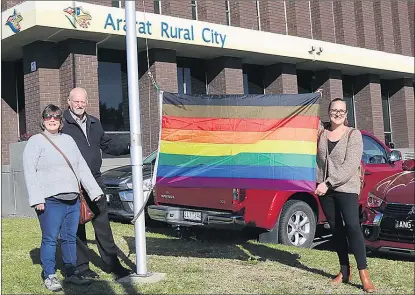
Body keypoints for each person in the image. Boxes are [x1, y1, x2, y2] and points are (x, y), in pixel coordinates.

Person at [23, 104, 104, 292]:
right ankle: (49, 275)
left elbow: (81, 167)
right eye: (48, 117)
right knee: (50, 238)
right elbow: (29, 172)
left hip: (73, 199)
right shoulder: (36, 141)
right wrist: (37, 199)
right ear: (43, 120)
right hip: (50, 201)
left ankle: (71, 273)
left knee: (69, 238)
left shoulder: (68, 140)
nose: (52, 120)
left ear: (60, 121)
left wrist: (94, 190)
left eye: (56, 117)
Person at [61, 87, 131, 280]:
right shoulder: (62, 124)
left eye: (82, 101)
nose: (80, 104)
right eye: (76, 101)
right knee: (77, 224)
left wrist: (129, 145)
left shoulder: (94, 122)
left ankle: (113, 265)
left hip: (95, 179)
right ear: (69, 102)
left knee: (102, 223)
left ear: (87, 102)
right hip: (72, 182)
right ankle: (82, 268)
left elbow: (108, 144)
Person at [315, 98, 375, 293]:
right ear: (329, 112)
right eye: (334, 110)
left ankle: (364, 273)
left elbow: (350, 165)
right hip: (325, 190)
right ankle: (344, 270)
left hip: (345, 187)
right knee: (336, 229)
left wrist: (328, 183)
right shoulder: (321, 133)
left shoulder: (353, 135)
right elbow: (306, 121)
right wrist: (313, 99)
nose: (338, 113)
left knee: (352, 227)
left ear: (346, 114)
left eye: (341, 110)